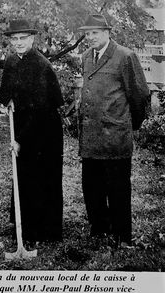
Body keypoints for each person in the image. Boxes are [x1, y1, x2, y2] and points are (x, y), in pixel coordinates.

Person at [78, 14, 150, 247]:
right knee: (92, 187)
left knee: (118, 188)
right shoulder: (86, 57)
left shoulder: (125, 56)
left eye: (95, 33)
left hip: (115, 137)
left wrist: (128, 125)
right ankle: (99, 229)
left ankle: (122, 235)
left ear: (108, 32)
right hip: (91, 137)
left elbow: (139, 96)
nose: (90, 37)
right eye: (87, 33)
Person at [0, 19, 64, 244]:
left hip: (45, 128)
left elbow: (42, 108)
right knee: (24, 174)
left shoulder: (41, 64)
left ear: (32, 39)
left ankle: (45, 231)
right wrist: (7, 100)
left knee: (42, 177)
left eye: (22, 38)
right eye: (14, 39)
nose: (18, 42)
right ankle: (23, 224)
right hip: (23, 121)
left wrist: (20, 140)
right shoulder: (10, 61)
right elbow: (4, 92)